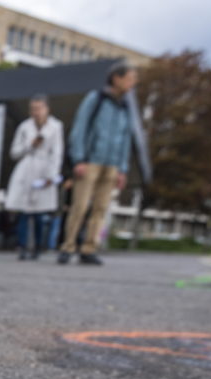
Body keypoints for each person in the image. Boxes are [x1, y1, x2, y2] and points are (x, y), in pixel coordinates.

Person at [60, 61, 138, 266]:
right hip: (90, 162)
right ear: (116, 78)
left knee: (101, 208)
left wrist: (122, 168)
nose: (133, 83)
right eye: (130, 78)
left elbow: (126, 138)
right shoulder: (96, 99)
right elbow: (80, 128)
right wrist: (79, 159)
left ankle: (89, 248)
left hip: (111, 165)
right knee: (80, 206)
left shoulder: (125, 107)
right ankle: (68, 246)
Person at [5, 94, 64, 260]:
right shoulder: (24, 127)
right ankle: (22, 246)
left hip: (45, 170)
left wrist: (52, 175)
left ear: (47, 109)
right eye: (32, 109)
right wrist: (30, 145)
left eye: (39, 108)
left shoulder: (56, 126)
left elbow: (57, 152)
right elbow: (14, 152)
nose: (35, 112)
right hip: (26, 168)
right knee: (23, 212)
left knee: (40, 214)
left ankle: (38, 247)